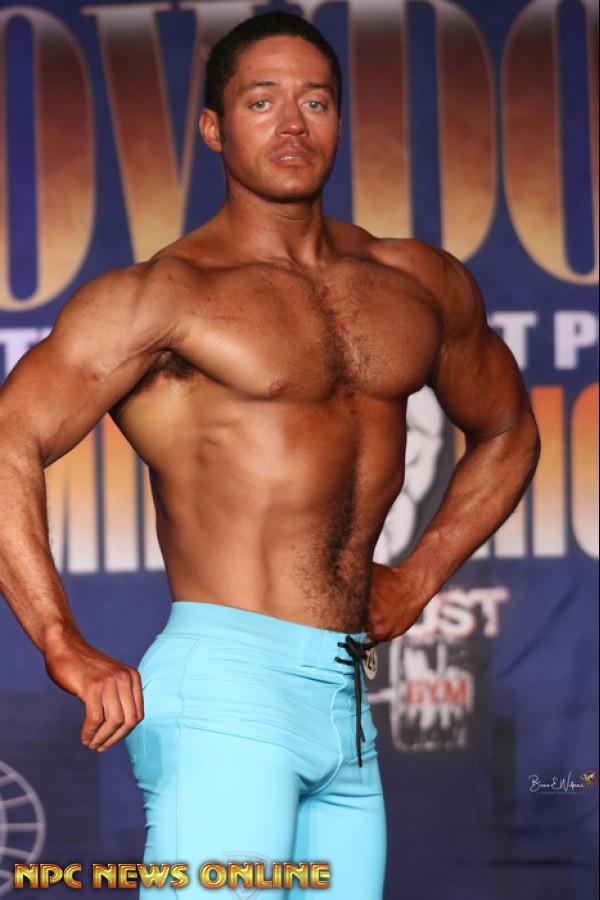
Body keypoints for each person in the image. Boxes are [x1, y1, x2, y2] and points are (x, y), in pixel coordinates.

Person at [0, 10, 539, 898]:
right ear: (214, 128)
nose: (293, 124)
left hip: (344, 708)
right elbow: (10, 437)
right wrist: (60, 639)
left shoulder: (416, 283)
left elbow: (510, 429)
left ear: (339, 120)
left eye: (315, 101)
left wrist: (420, 573)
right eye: (262, 101)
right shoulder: (165, 296)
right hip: (225, 693)